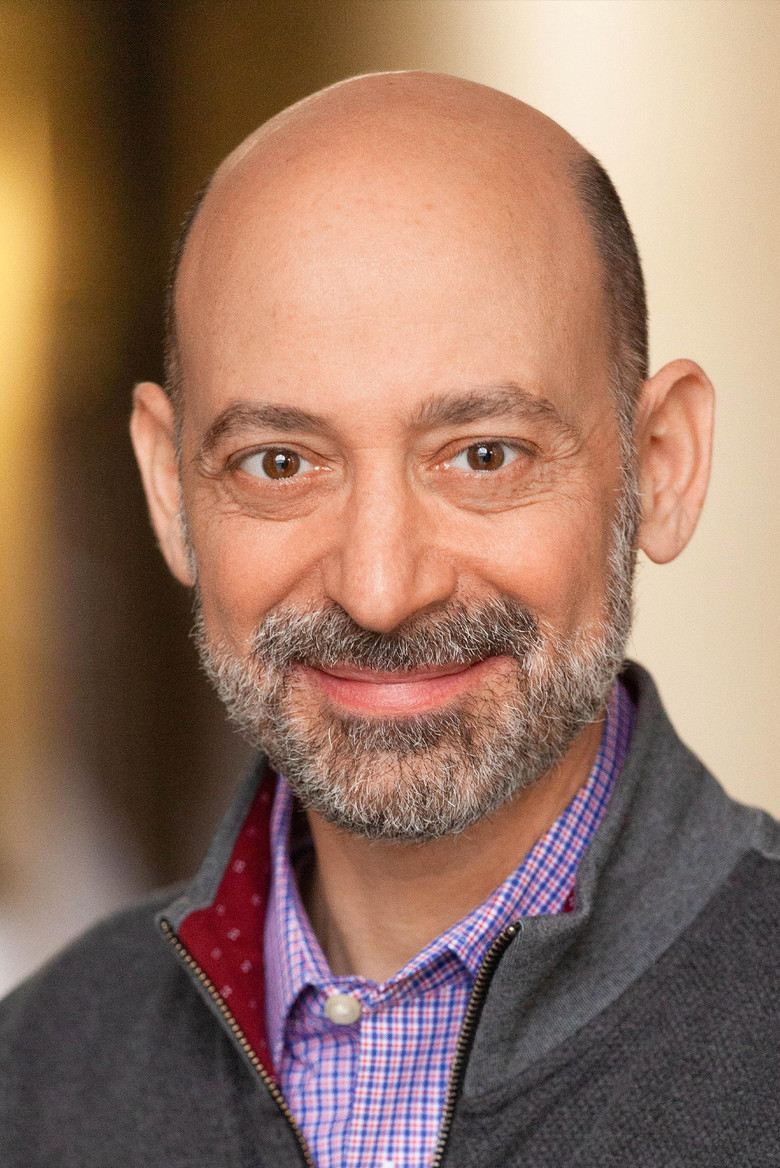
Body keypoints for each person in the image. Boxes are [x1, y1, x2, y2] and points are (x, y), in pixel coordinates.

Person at [1, 71, 777, 1168]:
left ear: (662, 466)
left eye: (483, 455)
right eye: (280, 463)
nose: (379, 587)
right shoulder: (34, 1079)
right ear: (171, 493)